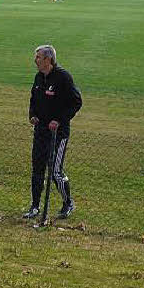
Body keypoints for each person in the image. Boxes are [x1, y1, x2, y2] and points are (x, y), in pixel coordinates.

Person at [24, 45, 82, 220]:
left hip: (59, 134)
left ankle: (68, 203)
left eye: (38, 57)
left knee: (55, 171)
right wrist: (32, 115)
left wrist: (59, 120)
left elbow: (76, 102)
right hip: (40, 132)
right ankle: (34, 207)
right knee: (37, 169)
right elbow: (33, 100)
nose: (36, 60)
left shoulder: (63, 77)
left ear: (48, 59)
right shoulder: (38, 77)